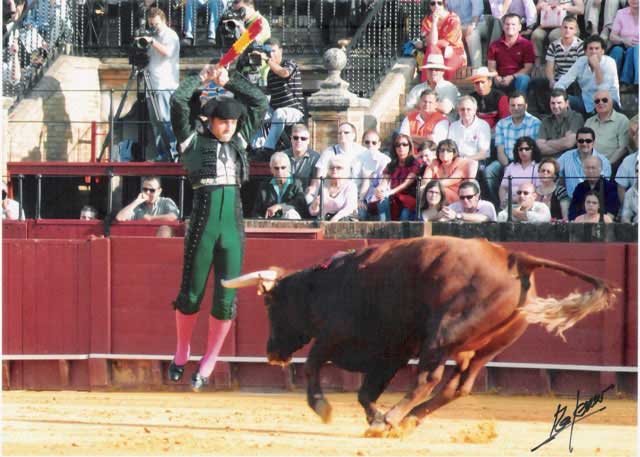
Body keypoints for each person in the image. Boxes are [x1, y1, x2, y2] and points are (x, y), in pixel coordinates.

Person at [168, 63, 268, 391]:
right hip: (203, 223)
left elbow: (260, 103)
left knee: (226, 299)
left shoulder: (239, 139)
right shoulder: (191, 140)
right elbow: (178, 102)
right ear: (209, 121)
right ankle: (182, 351)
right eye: (222, 121)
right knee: (191, 294)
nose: (228, 126)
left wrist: (231, 81)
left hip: (233, 227)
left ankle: (208, 360)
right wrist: (202, 77)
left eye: (232, 121)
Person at [485, 91, 541, 203]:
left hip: (527, 160)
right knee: (489, 171)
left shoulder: (535, 123)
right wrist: (507, 166)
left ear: (526, 106)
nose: (516, 108)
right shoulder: (502, 124)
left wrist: (518, 164)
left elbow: (533, 150)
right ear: (508, 107)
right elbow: (500, 150)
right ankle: (499, 203)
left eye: (519, 105)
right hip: (506, 160)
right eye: (513, 105)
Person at [254, 38, 305, 158]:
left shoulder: (289, 63)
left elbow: (284, 73)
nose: (270, 54)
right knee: (256, 113)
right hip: (276, 109)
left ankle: (268, 149)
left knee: (279, 112)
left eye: (273, 51)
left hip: (294, 110)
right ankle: (257, 147)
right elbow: (267, 92)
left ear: (280, 51)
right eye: (267, 52)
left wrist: (266, 60)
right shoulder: (271, 73)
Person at [140, 8, 179, 161]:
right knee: (156, 124)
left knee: (165, 121)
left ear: (164, 21)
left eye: (156, 24)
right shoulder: (153, 36)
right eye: (151, 24)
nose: (154, 27)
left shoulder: (171, 35)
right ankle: (162, 154)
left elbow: (167, 52)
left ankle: (173, 154)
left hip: (165, 85)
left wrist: (152, 41)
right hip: (152, 86)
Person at [554, 35, 620, 114]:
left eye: (597, 48)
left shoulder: (609, 62)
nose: (593, 52)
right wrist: (560, 96)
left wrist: (596, 67)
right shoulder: (581, 61)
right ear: (585, 51)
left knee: (602, 100)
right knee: (558, 100)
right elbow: (564, 81)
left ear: (602, 51)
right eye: (591, 49)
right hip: (586, 103)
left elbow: (603, 90)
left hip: (607, 102)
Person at [371, 133, 420, 221]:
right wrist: (379, 189)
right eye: (398, 145)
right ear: (394, 148)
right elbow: (384, 182)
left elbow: (406, 183)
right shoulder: (392, 164)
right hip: (394, 196)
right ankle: (385, 229)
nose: (401, 147)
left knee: (404, 215)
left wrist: (390, 192)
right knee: (381, 200)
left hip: (409, 198)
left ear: (409, 146)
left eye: (404, 144)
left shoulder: (414, 162)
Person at [417, 0, 467, 82]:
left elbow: (446, 43)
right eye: (433, 3)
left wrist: (425, 44)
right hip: (436, 51)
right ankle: (427, 85)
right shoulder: (427, 20)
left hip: (454, 51)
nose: (436, 6)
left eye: (439, 3)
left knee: (446, 65)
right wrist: (434, 22)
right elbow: (432, 43)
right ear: (429, 6)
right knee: (431, 50)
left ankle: (445, 89)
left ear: (444, 4)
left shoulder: (453, 19)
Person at [487, 13, 535, 95]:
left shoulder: (527, 44)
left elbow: (528, 68)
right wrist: (496, 77)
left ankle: (518, 102)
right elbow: (491, 67)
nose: (510, 27)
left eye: (513, 24)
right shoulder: (494, 45)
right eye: (507, 24)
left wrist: (512, 77)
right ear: (503, 26)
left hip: (516, 79)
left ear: (519, 27)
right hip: (499, 79)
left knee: (523, 79)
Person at [558, 127, 612, 198]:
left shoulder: (604, 161)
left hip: (594, 202)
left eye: (588, 141)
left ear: (593, 142)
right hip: (570, 200)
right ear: (576, 142)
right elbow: (553, 169)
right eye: (581, 141)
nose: (584, 144)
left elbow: (602, 187)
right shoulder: (566, 157)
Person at [252, 151, 307, 219]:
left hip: (292, 224)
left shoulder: (297, 183)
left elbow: (300, 204)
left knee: (290, 214)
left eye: (283, 168)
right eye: (276, 168)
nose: (280, 172)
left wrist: (280, 206)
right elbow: (256, 212)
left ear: (289, 168)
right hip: (270, 225)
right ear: (271, 169)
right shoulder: (265, 185)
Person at [584, 89, 630, 167]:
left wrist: (606, 165)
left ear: (611, 102)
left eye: (604, 100)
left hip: (611, 165)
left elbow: (623, 148)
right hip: (589, 165)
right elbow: (583, 145)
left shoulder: (621, 120)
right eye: (597, 101)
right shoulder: (589, 121)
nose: (600, 103)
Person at [531, 0, 584, 66]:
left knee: (554, 35)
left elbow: (581, 10)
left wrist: (564, 7)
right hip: (546, 24)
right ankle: (537, 65)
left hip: (567, 25)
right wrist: (541, 6)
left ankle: (554, 65)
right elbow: (535, 10)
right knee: (536, 34)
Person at [308, 155, 359, 222]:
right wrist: (315, 205)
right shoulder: (322, 184)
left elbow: (349, 208)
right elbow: (313, 213)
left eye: (339, 167)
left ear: (346, 169)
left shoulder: (351, 186)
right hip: (324, 222)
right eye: (331, 167)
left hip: (343, 222)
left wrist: (334, 219)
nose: (334, 170)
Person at [536, 88, 584, 158]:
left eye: (559, 103)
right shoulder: (545, 121)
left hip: (568, 161)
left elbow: (569, 143)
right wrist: (563, 141)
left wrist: (548, 143)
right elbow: (540, 147)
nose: (555, 106)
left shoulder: (576, 118)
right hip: (548, 162)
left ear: (567, 103)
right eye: (553, 103)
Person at [568, 155, 619, 220]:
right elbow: (573, 211)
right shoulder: (579, 188)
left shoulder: (610, 187)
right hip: (580, 224)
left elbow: (611, 212)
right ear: (583, 170)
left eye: (593, 168)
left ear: (600, 169)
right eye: (587, 168)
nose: (590, 171)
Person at [447, 96, 491, 168]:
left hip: (475, 162)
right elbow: (449, 148)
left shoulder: (483, 125)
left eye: (468, 109)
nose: (465, 112)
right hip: (455, 162)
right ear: (458, 111)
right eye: (462, 109)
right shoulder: (453, 126)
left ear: (475, 110)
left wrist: (464, 160)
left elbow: (483, 154)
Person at [499, 136, 541, 208]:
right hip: (510, 204)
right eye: (520, 149)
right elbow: (503, 187)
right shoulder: (511, 166)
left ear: (533, 150)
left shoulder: (538, 167)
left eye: (527, 149)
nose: (523, 152)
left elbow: (539, 191)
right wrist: (503, 202)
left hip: (528, 205)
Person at [115, 176, 179, 222]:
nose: (147, 192)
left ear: (159, 191)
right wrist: (136, 202)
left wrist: (150, 218)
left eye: (152, 190)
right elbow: (119, 217)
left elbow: (174, 217)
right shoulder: (137, 204)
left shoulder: (166, 202)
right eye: (145, 189)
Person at [359, 129, 391, 220]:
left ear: (379, 144)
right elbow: (356, 183)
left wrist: (378, 194)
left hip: (379, 193)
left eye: (374, 143)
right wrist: (359, 199)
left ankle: (385, 232)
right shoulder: (357, 159)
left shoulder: (385, 160)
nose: (370, 145)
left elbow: (384, 184)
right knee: (360, 211)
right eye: (367, 142)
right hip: (362, 195)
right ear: (362, 143)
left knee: (382, 203)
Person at [544, 15, 585, 86]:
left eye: (571, 28)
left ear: (575, 31)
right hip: (558, 79)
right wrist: (551, 80)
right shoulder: (553, 45)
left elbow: (581, 69)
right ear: (561, 28)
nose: (567, 30)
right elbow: (549, 69)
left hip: (575, 80)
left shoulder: (581, 46)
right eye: (565, 27)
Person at [447, 0, 489, 68]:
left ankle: (477, 69)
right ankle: (452, 71)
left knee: (472, 34)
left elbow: (478, 9)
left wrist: (473, 25)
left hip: (477, 23)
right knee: (448, 36)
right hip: (458, 26)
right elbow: (446, 12)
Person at [609, 0, 639, 89]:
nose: (634, 0)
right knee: (617, 50)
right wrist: (624, 40)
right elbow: (612, 36)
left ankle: (637, 81)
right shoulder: (621, 13)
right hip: (625, 48)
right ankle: (612, 82)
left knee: (637, 48)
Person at [283, 124, 320, 191]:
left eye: (303, 138)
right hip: (285, 196)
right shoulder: (283, 156)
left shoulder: (315, 158)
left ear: (308, 140)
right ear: (291, 139)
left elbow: (314, 185)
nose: (299, 141)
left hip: (305, 197)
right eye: (295, 138)